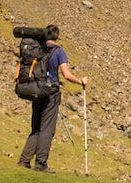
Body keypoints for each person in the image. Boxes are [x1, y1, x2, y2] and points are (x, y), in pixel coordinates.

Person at [17, 23, 89, 172]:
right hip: (50, 93)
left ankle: (24, 160)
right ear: (57, 36)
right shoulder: (58, 51)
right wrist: (81, 81)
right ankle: (41, 163)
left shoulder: (37, 48)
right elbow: (67, 75)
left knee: (36, 127)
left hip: (36, 89)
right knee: (47, 129)